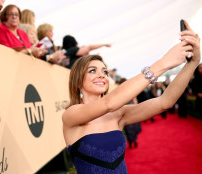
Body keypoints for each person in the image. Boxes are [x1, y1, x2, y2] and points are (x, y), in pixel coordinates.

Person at [62, 20, 200, 173]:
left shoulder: (119, 113)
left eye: (105, 72)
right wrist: (163, 63)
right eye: (93, 71)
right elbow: (109, 103)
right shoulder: (71, 115)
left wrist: (192, 63)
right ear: (78, 80)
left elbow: (164, 102)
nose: (101, 75)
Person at [118, 78, 141, 149]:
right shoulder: (120, 92)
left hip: (130, 110)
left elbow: (135, 101)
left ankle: (133, 141)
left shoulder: (129, 91)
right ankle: (132, 141)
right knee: (129, 128)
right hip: (127, 111)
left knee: (132, 128)